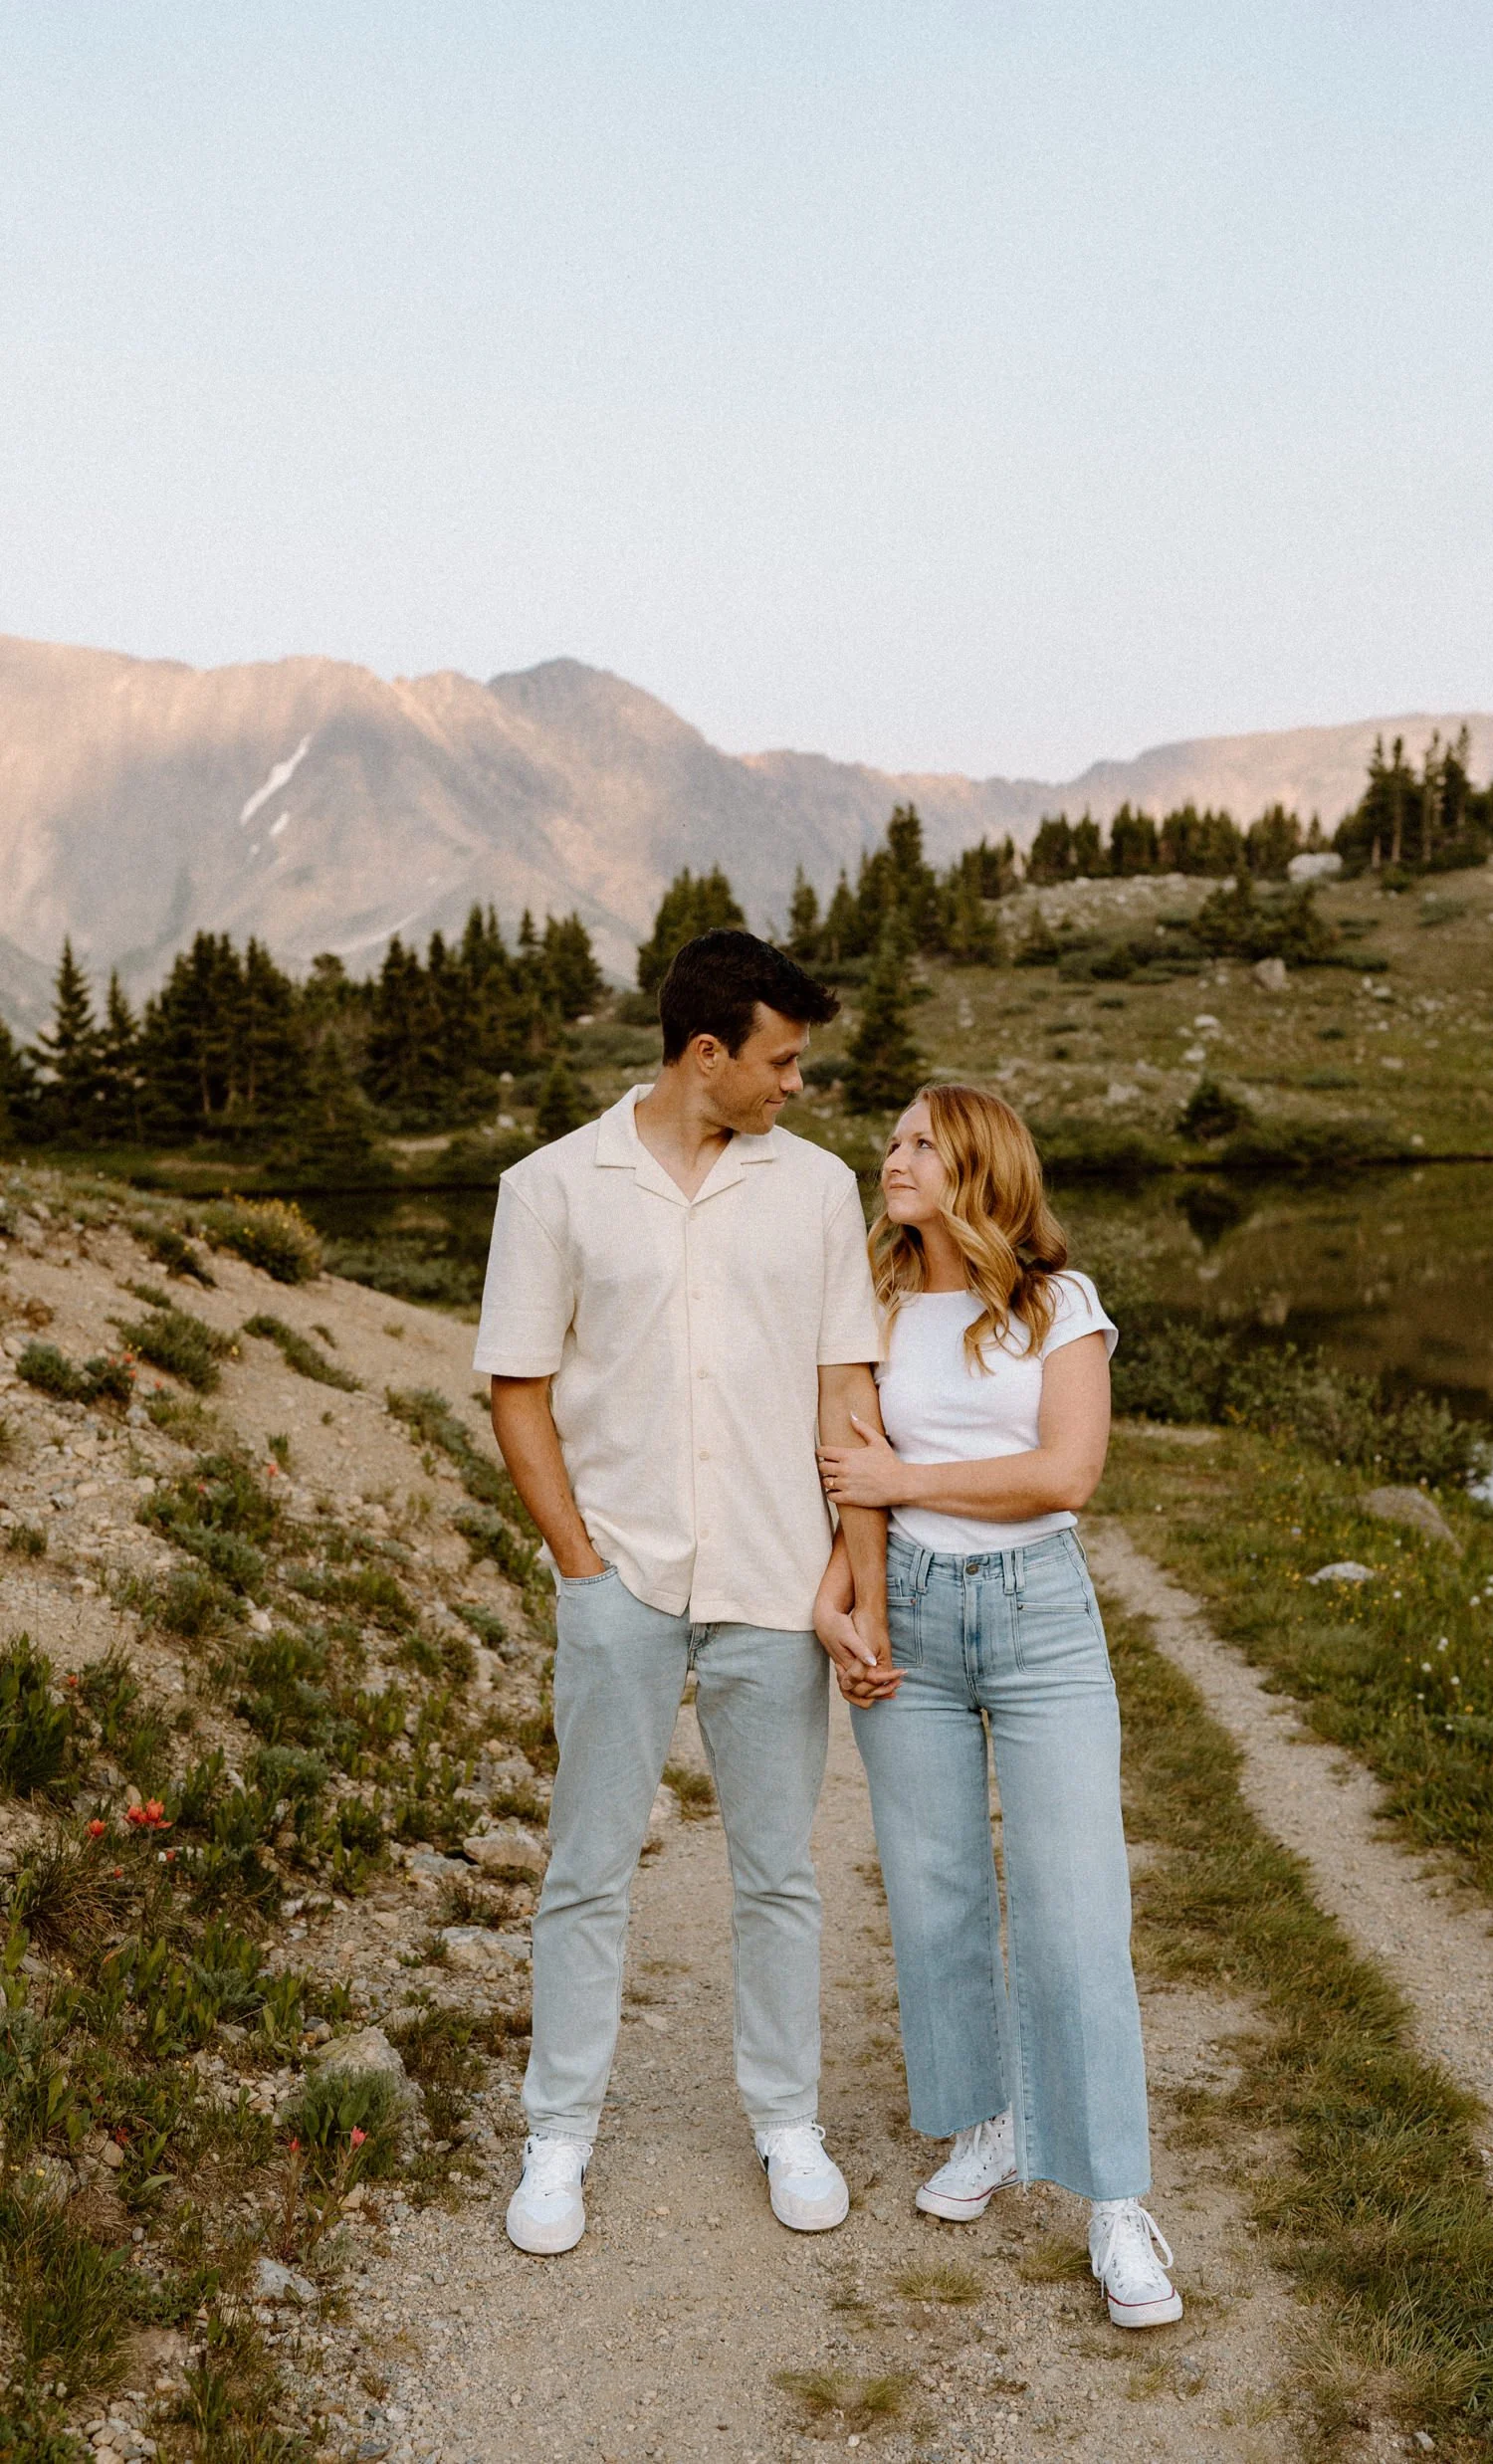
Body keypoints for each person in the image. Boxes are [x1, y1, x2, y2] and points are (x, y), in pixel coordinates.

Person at [474, 928, 890, 2255]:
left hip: (774, 1580)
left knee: (778, 1871)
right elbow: (516, 1388)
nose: (795, 1086)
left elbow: (844, 1386)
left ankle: (785, 2121)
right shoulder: (550, 1189)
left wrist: (850, 1568)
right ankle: (559, 2136)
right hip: (626, 1582)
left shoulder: (817, 1192)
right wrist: (581, 1571)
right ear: (705, 1052)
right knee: (587, 1867)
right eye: (780, 1060)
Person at [814, 1084, 1181, 2329]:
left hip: (1037, 1617)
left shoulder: (1053, 1305)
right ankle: (984, 2121)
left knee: (1075, 1909)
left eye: (919, 1142)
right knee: (933, 1892)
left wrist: (906, 1477)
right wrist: (838, 1601)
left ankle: (1115, 2203)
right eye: (894, 1138)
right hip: (903, 1605)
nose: (891, 1154)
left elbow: (1064, 1472)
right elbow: (845, 1477)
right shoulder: (865, 1303)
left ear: (977, 1166)